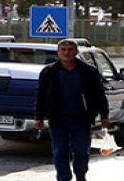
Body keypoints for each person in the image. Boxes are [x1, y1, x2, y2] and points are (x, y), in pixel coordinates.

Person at [34, 39, 110, 181]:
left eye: (70, 50)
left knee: (81, 151)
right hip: (58, 119)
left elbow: (99, 94)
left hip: (81, 119)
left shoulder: (88, 71)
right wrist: (38, 117)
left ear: (76, 52)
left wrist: (104, 115)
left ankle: (80, 174)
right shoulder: (49, 72)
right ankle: (63, 178)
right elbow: (41, 95)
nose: (67, 53)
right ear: (58, 52)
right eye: (63, 50)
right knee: (60, 152)